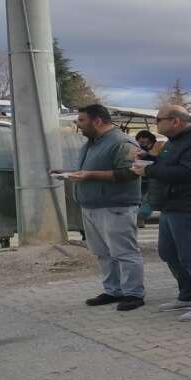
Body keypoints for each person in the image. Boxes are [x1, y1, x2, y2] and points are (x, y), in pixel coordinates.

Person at [132, 105, 191, 322]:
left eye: (159, 120)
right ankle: (189, 295)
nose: (156, 124)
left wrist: (149, 170)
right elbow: (169, 165)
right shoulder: (176, 141)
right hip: (170, 205)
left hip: (188, 207)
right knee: (168, 252)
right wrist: (149, 159)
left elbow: (189, 172)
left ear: (175, 121)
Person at [58, 104, 147, 312]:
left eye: (81, 120)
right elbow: (89, 170)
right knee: (102, 253)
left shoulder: (122, 142)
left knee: (124, 252)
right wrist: (68, 172)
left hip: (115, 206)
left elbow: (130, 173)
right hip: (91, 206)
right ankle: (113, 290)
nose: (77, 124)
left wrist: (90, 175)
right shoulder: (90, 144)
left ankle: (134, 293)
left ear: (97, 121)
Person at [133, 130, 163, 227]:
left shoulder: (159, 145)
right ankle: (138, 217)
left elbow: (160, 159)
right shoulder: (137, 148)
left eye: (144, 137)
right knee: (139, 198)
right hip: (140, 176)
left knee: (148, 199)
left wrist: (147, 155)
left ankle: (141, 217)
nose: (142, 140)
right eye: (139, 139)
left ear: (150, 138)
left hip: (153, 177)